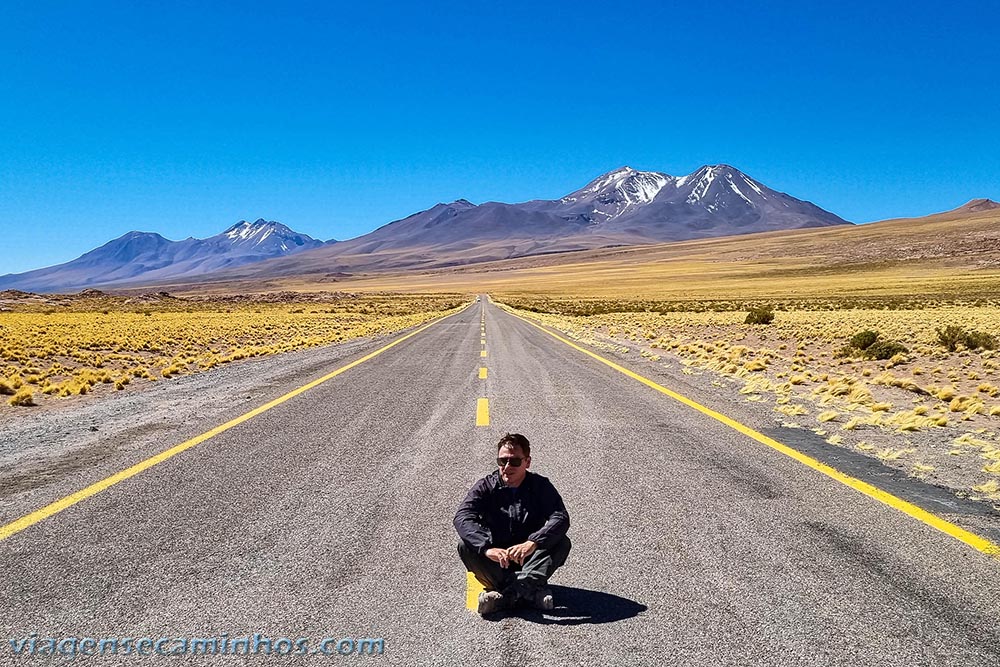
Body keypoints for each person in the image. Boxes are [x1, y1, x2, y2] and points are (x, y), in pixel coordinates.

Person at [454, 433, 571, 615]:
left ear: (527, 462)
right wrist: (486, 548)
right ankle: (529, 591)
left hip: (529, 559)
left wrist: (533, 543)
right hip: (498, 562)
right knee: (465, 546)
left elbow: (560, 517)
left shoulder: (540, 486)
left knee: (562, 542)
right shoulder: (486, 486)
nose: (507, 467)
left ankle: (507, 596)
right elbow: (462, 516)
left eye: (515, 461)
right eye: (502, 461)